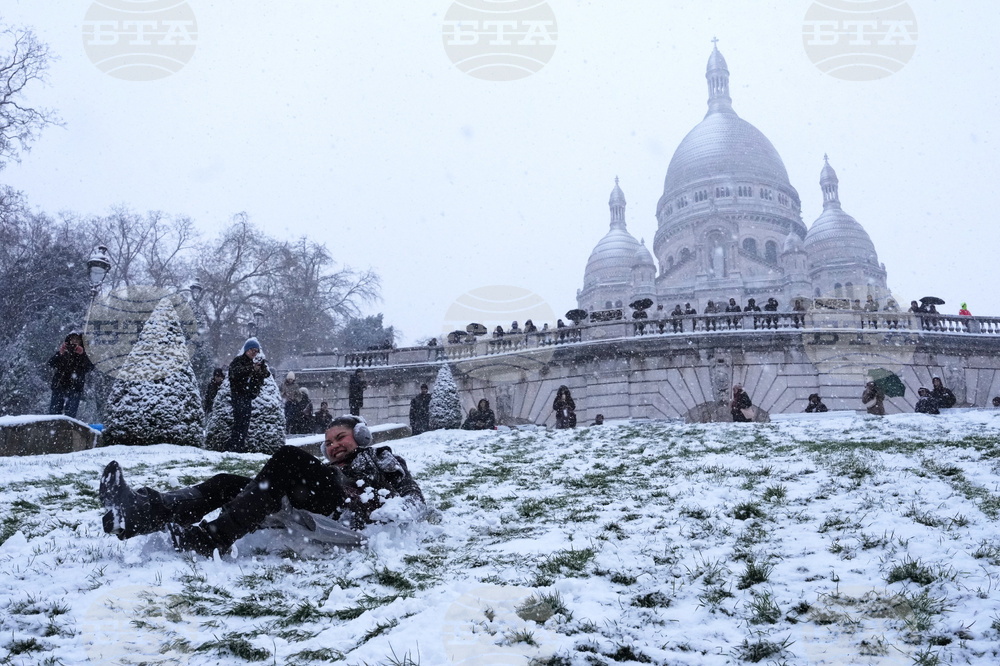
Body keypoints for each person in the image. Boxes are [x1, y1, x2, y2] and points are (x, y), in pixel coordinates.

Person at [100, 415, 426, 558]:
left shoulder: (379, 457)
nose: (333, 445)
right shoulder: (325, 470)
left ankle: (211, 539)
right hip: (311, 504)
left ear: (362, 436)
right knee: (227, 482)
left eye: (341, 437)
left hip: (341, 512)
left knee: (286, 457)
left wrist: (388, 517)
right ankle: (144, 513)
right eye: (328, 442)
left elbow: (412, 497)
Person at [227, 338, 271, 452]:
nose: (254, 353)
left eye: (256, 351)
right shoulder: (238, 361)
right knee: (239, 421)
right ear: (246, 350)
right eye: (252, 350)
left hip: (247, 396)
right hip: (238, 394)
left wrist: (261, 368)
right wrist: (252, 368)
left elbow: (266, 374)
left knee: (245, 422)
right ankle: (234, 446)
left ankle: (240, 445)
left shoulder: (254, 362)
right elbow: (235, 373)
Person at [47, 331, 95, 419]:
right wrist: (60, 353)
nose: (75, 341)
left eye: (77, 339)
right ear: (69, 340)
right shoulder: (63, 352)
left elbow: (90, 367)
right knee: (53, 415)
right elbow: (51, 363)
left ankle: (67, 431)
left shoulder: (85, 354)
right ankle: (53, 430)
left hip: (75, 387)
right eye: (73, 339)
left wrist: (82, 354)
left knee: (71, 416)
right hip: (59, 386)